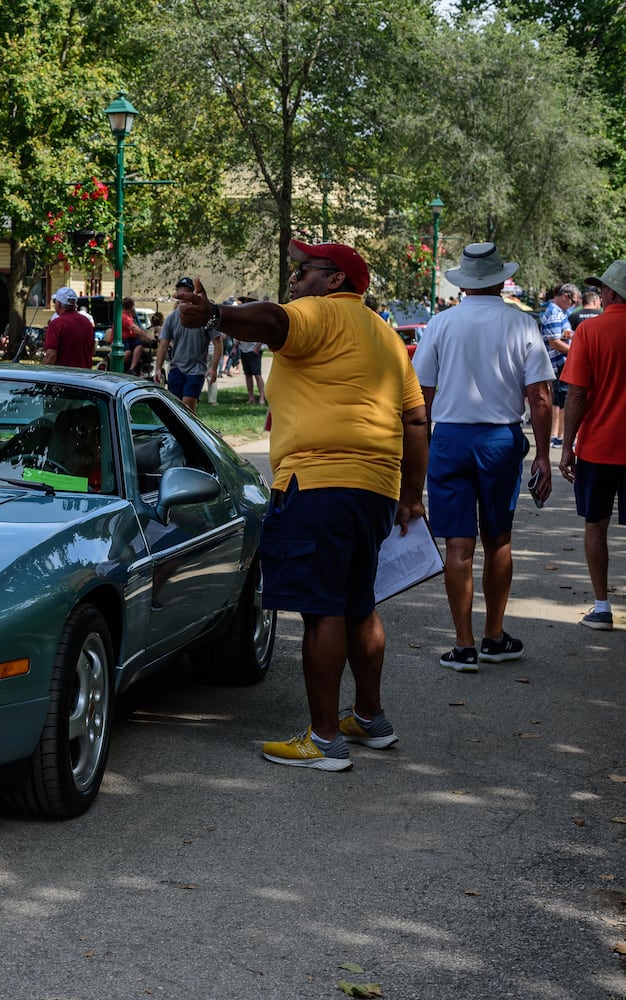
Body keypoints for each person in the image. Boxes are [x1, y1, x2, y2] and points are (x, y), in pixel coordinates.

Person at [175, 241, 428, 772]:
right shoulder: (384, 333)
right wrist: (410, 495)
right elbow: (415, 421)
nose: (294, 279)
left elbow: (270, 321)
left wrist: (216, 314)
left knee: (323, 610)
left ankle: (325, 739)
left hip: (318, 484)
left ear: (334, 281)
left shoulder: (319, 312)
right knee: (359, 602)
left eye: (304, 270)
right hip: (376, 488)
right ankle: (370, 718)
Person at [411, 243, 554, 671]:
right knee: (498, 539)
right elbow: (541, 397)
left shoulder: (441, 324)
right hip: (499, 439)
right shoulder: (522, 323)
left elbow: (423, 396)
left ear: (464, 283)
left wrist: (416, 458)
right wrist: (543, 455)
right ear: (498, 279)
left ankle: (463, 644)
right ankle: (494, 635)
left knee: (458, 543)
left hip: (451, 437)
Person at [560, 260, 626, 631]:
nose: (599, 295)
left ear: (612, 293)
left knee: (595, 525)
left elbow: (577, 396)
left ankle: (601, 607)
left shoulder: (590, 332)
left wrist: (567, 446)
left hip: (599, 449)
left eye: (602, 289)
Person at [154, 277, 223, 414]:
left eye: (186, 292)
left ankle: (192, 434)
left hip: (196, 369)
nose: (183, 296)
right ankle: (182, 435)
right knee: (175, 410)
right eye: (180, 293)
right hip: (176, 368)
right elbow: (163, 345)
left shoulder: (206, 317)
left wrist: (214, 368)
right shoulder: (172, 318)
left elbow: (218, 342)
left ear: (194, 295)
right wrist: (157, 368)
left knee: (187, 408)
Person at [539, 283, 576, 446]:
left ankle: (557, 436)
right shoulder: (555, 313)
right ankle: (561, 437)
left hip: (558, 364)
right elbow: (555, 342)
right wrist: (575, 352)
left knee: (559, 401)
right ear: (565, 296)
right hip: (559, 364)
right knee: (564, 402)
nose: (574, 305)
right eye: (574, 301)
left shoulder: (557, 312)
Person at [42, 287, 94, 368]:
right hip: (85, 374)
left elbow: (51, 355)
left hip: (64, 375)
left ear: (58, 304)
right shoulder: (87, 322)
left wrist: (42, 372)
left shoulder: (56, 324)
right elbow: (92, 349)